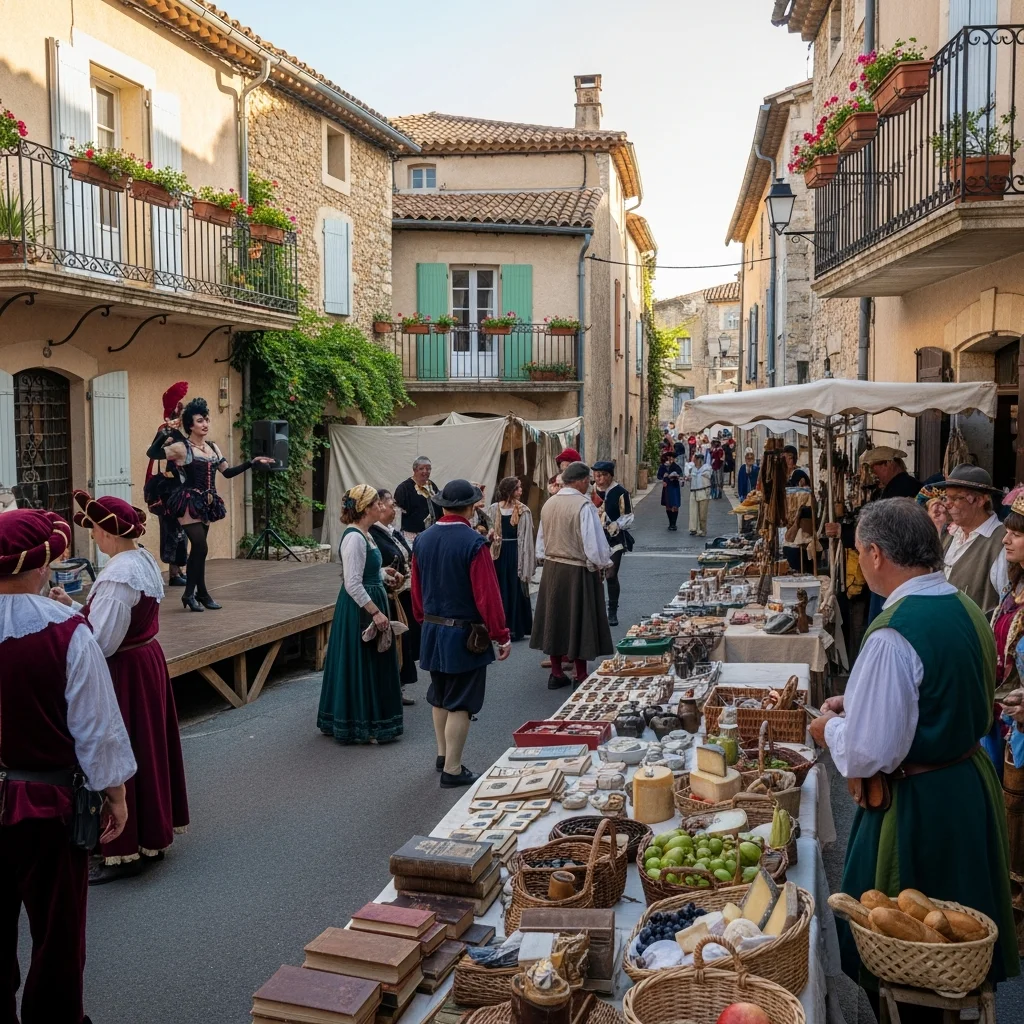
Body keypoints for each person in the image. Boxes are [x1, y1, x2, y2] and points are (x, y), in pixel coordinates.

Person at [809, 498, 1018, 990]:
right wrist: (859, 701)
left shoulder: (893, 633)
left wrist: (829, 730)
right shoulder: (965, 606)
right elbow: (942, 694)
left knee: (911, 952)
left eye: (861, 553)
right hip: (966, 787)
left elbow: (868, 753)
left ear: (877, 554)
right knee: (961, 937)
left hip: (918, 806)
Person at [0, 509, 137, 1023]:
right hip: (47, 811)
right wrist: (115, 795)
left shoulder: (67, 630)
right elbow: (96, 726)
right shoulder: (67, 633)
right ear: (41, 568)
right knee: (56, 932)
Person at [49, 491, 189, 885]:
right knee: (146, 746)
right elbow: (111, 624)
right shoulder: (140, 560)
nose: (92, 536)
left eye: (94, 528)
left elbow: (102, 642)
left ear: (108, 531)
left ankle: (124, 850)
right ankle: (151, 837)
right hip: (145, 660)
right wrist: (70, 607)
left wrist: (64, 626)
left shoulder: (116, 576)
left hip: (124, 671)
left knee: (118, 747)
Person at [412, 480, 511, 787]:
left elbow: (417, 590)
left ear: (443, 506)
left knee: (440, 695)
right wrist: (501, 634)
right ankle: (453, 769)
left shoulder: (423, 539)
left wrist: (423, 621)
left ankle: (443, 755)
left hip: (431, 628)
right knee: (462, 701)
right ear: (470, 508)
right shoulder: (473, 543)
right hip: (463, 634)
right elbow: (488, 596)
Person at [162, 397, 274, 612]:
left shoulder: (213, 447)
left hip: (206, 503)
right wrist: (165, 433)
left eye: (206, 420)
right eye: (199, 421)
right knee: (201, 546)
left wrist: (252, 462)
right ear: (189, 425)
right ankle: (191, 593)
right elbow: (153, 453)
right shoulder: (182, 448)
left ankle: (199, 594)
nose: (204, 424)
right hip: (188, 501)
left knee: (199, 550)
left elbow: (228, 472)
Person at [318, 485, 404, 745]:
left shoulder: (366, 535)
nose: (382, 507)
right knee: (361, 664)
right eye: (377, 503)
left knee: (371, 664)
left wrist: (384, 574)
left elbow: (366, 572)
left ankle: (371, 721)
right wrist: (376, 612)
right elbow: (352, 583)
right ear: (366, 509)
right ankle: (361, 725)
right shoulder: (354, 537)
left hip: (369, 600)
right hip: (359, 609)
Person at [531, 462, 613, 689]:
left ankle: (556, 673)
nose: (590, 484)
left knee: (555, 619)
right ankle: (580, 674)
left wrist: (546, 557)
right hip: (577, 569)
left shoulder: (549, 503)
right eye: (588, 480)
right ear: (582, 480)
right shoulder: (583, 506)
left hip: (552, 567)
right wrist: (602, 563)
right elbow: (593, 543)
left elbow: (541, 539)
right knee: (580, 620)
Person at [370, 490, 419, 705]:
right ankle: (389, 690)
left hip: (402, 594)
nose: (394, 510)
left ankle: (397, 687)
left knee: (403, 642)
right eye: (391, 506)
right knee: (390, 643)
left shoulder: (391, 532)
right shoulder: (372, 534)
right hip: (388, 596)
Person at [940, 464, 1007, 615]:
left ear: (980, 501)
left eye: (956, 498)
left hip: (976, 636)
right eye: (946, 497)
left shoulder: (1001, 541)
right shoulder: (950, 534)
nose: (947, 504)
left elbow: (1007, 607)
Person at [146, 380, 189, 587]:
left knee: (183, 531)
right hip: (168, 489)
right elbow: (155, 454)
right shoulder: (165, 430)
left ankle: (180, 569)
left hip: (182, 486)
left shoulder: (183, 432)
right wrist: (166, 434)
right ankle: (173, 573)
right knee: (171, 530)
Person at [485, 476, 535, 642]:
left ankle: (516, 628)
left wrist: (527, 560)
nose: (521, 490)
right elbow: (486, 527)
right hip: (497, 553)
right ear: (510, 491)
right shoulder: (493, 509)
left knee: (514, 587)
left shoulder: (523, 510)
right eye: (518, 488)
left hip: (515, 553)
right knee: (500, 588)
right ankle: (499, 627)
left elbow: (526, 538)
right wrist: (492, 536)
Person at [592, 460, 633, 627]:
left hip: (614, 539)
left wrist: (617, 524)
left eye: (602, 475)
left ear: (610, 476)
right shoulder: (590, 491)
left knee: (611, 574)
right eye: (596, 475)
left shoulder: (620, 492)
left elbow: (628, 516)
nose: (599, 479)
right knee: (595, 577)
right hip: (594, 537)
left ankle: (612, 611)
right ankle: (596, 611)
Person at [394, 457, 440, 544]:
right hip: (412, 535)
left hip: (432, 533)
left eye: (428, 469)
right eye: (421, 468)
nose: (425, 471)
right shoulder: (404, 488)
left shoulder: (432, 486)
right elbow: (397, 514)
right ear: (414, 470)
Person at [687, 452, 712, 537]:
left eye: (696, 459)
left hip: (703, 492)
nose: (694, 461)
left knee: (702, 513)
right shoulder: (692, 469)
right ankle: (695, 529)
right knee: (694, 512)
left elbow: (708, 475)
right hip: (694, 492)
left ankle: (703, 530)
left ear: (699, 460)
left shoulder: (706, 468)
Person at [657, 451, 684, 531]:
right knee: (668, 505)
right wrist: (663, 480)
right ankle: (670, 523)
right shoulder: (663, 467)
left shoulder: (676, 466)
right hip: (667, 487)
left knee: (675, 505)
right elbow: (659, 476)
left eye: (672, 457)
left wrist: (677, 476)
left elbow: (681, 475)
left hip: (675, 487)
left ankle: (674, 523)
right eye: (669, 457)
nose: (671, 459)